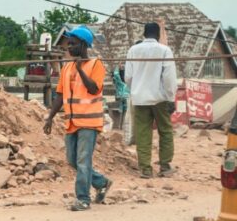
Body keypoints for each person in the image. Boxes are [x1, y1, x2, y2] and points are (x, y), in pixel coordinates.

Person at [43, 25, 112, 211]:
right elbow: (59, 95)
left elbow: (93, 88)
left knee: (83, 160)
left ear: (83, 45)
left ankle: (83, 199)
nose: (69, 47)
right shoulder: (66, 68)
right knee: (72, 160)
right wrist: (50, 117)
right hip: (72, 121)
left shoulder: (96, 65)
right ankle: (101, 182)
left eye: (72, 44)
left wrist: (81, 69)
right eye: (68, 44)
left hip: (89, 122)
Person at [125, 22, 178, 178]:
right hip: (160, 98)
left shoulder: (133, 50)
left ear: (144, 34)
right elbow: (169, 78)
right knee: (166, 131)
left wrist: (135, 89)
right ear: (158, 35)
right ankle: (165, 166)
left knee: (142, 134)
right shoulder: (164, 50)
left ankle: (146, 169)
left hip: (140, 98)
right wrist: (170, 97)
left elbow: (128, 77)